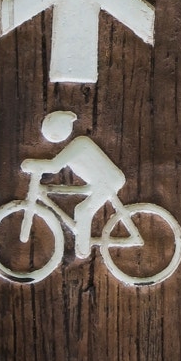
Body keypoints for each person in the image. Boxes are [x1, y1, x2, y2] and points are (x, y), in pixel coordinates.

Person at [21, 111, 126, 259]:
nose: (55, 135)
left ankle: (83, 250)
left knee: (83, 211)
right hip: (98, 182)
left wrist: (31, 164)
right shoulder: (73, 145)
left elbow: (55, 165)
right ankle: (83, 245)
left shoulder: (79, 143)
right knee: (81, 209)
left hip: (109, 181)